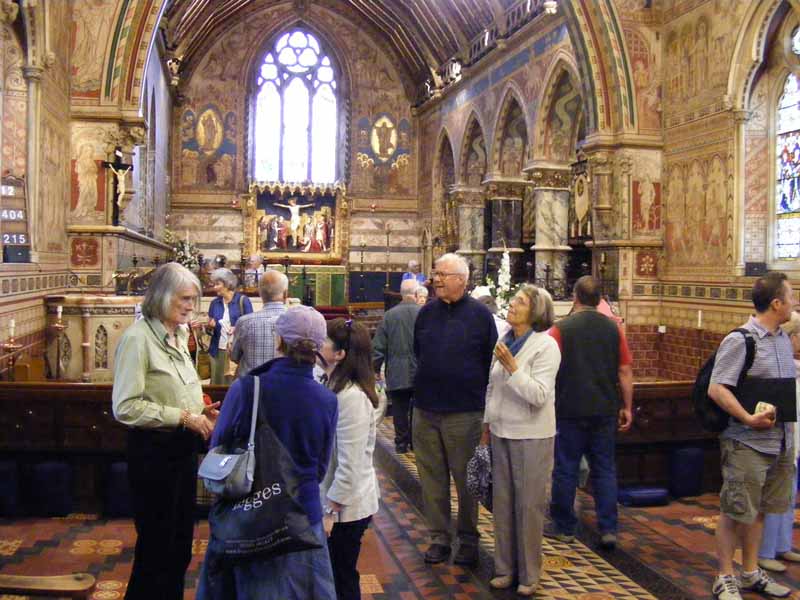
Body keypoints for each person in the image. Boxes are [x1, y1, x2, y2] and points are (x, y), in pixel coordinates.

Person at [197, 306, 338, 599]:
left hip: (251, 514)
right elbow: (322, 466)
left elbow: (218, 449)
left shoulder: (247, 388)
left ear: (279, 340)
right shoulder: (327, 399)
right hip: (303, 516)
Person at [112, 263, 219, 600]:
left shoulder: (180, 333)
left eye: (194, 299)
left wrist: (201, 410)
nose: (191, 306)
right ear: (161, 297)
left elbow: (175, 389)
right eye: (184, 299)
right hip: (153, 455)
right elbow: (126, 407)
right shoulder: (137, 339)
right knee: (156, 551)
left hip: (180, 453)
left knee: (178, 550)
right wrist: (184, 416)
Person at [709, 272, 797, 600]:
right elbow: (717, 388)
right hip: (746, 441)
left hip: (779, 441)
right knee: (734, 510)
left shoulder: (782, 338)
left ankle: (749, 572)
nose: (795, 302)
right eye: (791, 297)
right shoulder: (741, 339)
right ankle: (724, 576)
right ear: (777, 303)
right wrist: (747, 417)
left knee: (758, 509)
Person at [413, 252, 498, 565]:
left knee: (466, 481)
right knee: (432, 478)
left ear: (461, 280)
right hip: (425, 409)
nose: (436, 279)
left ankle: (468, 539)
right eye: (435, 273)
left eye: (442, 274)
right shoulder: (425, 314)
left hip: (464, 412)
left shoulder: (480, 316)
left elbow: (489, 362)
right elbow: (417, 351)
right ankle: (439, 537)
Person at [482, 285, 560, 597]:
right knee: (503, 504)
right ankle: (504, 569)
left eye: (521, 301)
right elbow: (493, 386)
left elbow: (539, 395)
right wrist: (487, 422)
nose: (512, 304)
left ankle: (529, 574)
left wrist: (513, 368)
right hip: (501, 431)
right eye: (513, 300)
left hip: (531, 435)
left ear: (536, 311)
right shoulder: (505, 340)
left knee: (528, 507)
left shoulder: (545, 346)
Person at [547, 275, 633, 549]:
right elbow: (624, 370)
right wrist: (627, 406)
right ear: (600, 300)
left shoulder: (561, 329)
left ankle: (564, 526)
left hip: (569, 408)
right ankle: (608, 528)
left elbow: (550, 369)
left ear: (575, 297)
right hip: (605, 408)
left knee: (566, 468)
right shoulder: (613, 328)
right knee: (605, 469)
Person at [319, 318, 381, 600]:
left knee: (341, 575)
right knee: (332, 573)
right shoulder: (331, 383)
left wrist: (331, 512)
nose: (317, 345)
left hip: (346, 507)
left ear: (340, 354)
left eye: (324, 342)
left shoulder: (352, 398)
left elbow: (350, 463)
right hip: (334, 501)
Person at [758, 310, 800, 573]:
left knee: (789, 493)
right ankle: (765, 551)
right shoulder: (781, 364)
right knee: (775, 493)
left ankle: (783, 545)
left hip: (794, 441)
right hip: (779, 437)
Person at [373, 279, 421, 453]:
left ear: (401, 294)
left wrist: (376, 369)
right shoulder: (423, 313)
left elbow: (378, 346)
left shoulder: (390, 316)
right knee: (417, 408)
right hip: (420, 372)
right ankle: (416, 443)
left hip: (396, 371)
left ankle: (401, 443)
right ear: (416, 294)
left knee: (399, 409)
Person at [230, 269, 288, 377]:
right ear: (285, 294)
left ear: (260, 293)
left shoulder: (245, 322)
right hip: (284, 387)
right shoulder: (297, 321)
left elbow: (234, 356)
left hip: (250, 388)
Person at [206, 268, 253, 384]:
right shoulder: (214, 303)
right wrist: (210, 327)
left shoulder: (243, 301)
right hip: (217, 351)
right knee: (217, 384)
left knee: (232, 384)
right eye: (214, 284)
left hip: (235, 352)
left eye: (217, 284)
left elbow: (251, 325)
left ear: (227, 284)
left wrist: (237, 328)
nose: (214, 287)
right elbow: (208, 331)